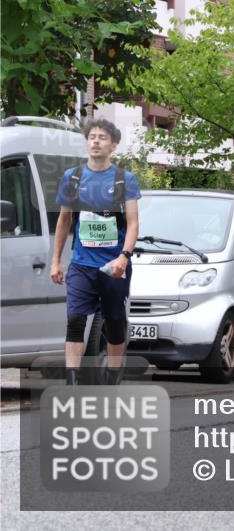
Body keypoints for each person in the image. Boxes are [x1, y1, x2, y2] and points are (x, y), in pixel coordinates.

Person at [50, 119, 141, 386]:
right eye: (92, 137)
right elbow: (64, 221)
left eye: (102, 137)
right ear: (86, 142)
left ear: (113, 145)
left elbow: (134, 223)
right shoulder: (73, 178)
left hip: (113, 265)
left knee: (114, 323)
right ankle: (72, 381)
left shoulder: (125, 180)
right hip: (81, 263)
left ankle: (113, 377)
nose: (96, 141)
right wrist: (56, 261)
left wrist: (123, 257)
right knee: (75, 319)